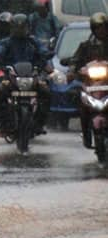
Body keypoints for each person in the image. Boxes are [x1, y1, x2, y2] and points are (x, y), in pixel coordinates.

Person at [0, 13, 53, 137]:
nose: (20, 30)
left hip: (32, 77)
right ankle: (2, 125)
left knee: (46, 92)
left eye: (22, 27)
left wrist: (46, 54)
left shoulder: (34, 42)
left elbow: (43, 50)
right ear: (12, 28)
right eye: (17, 27)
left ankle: (39, 123)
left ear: (28, 28)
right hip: (11, 77)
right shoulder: (6, 42)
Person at [68, 12, 108, 148]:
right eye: (97, 28)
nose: (100, 30)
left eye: (103, 27)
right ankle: (86, 133)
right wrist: (72, 71)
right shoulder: (86, 45)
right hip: (92, 85)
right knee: (81, 101)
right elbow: (75, 60)